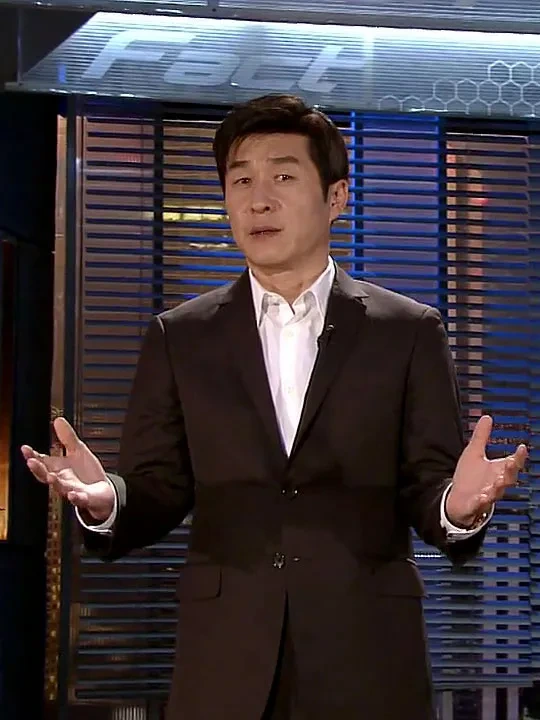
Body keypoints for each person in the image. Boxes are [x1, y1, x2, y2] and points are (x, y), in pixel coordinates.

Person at [22, 94, 527, 720]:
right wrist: (107, 501)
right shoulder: (182, 336)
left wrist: (458, 505)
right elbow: (159, 487)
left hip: (366, 656)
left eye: (283, 177)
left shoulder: (407, 330)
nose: (258, 201)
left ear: (336, 197)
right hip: (225, 660)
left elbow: (427, 487)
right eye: (241, 181)